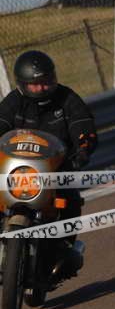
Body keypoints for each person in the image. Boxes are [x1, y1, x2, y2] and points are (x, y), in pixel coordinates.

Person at [0, 51, 97, 273]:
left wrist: (83, 148)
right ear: (23, 84)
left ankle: (64, 248)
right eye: (35, 84)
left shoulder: (67, 98)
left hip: (56, 171)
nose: (42, 88)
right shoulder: (14, 101)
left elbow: (82, 124)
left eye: (47, 81)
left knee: (71, 198)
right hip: (17, 172)